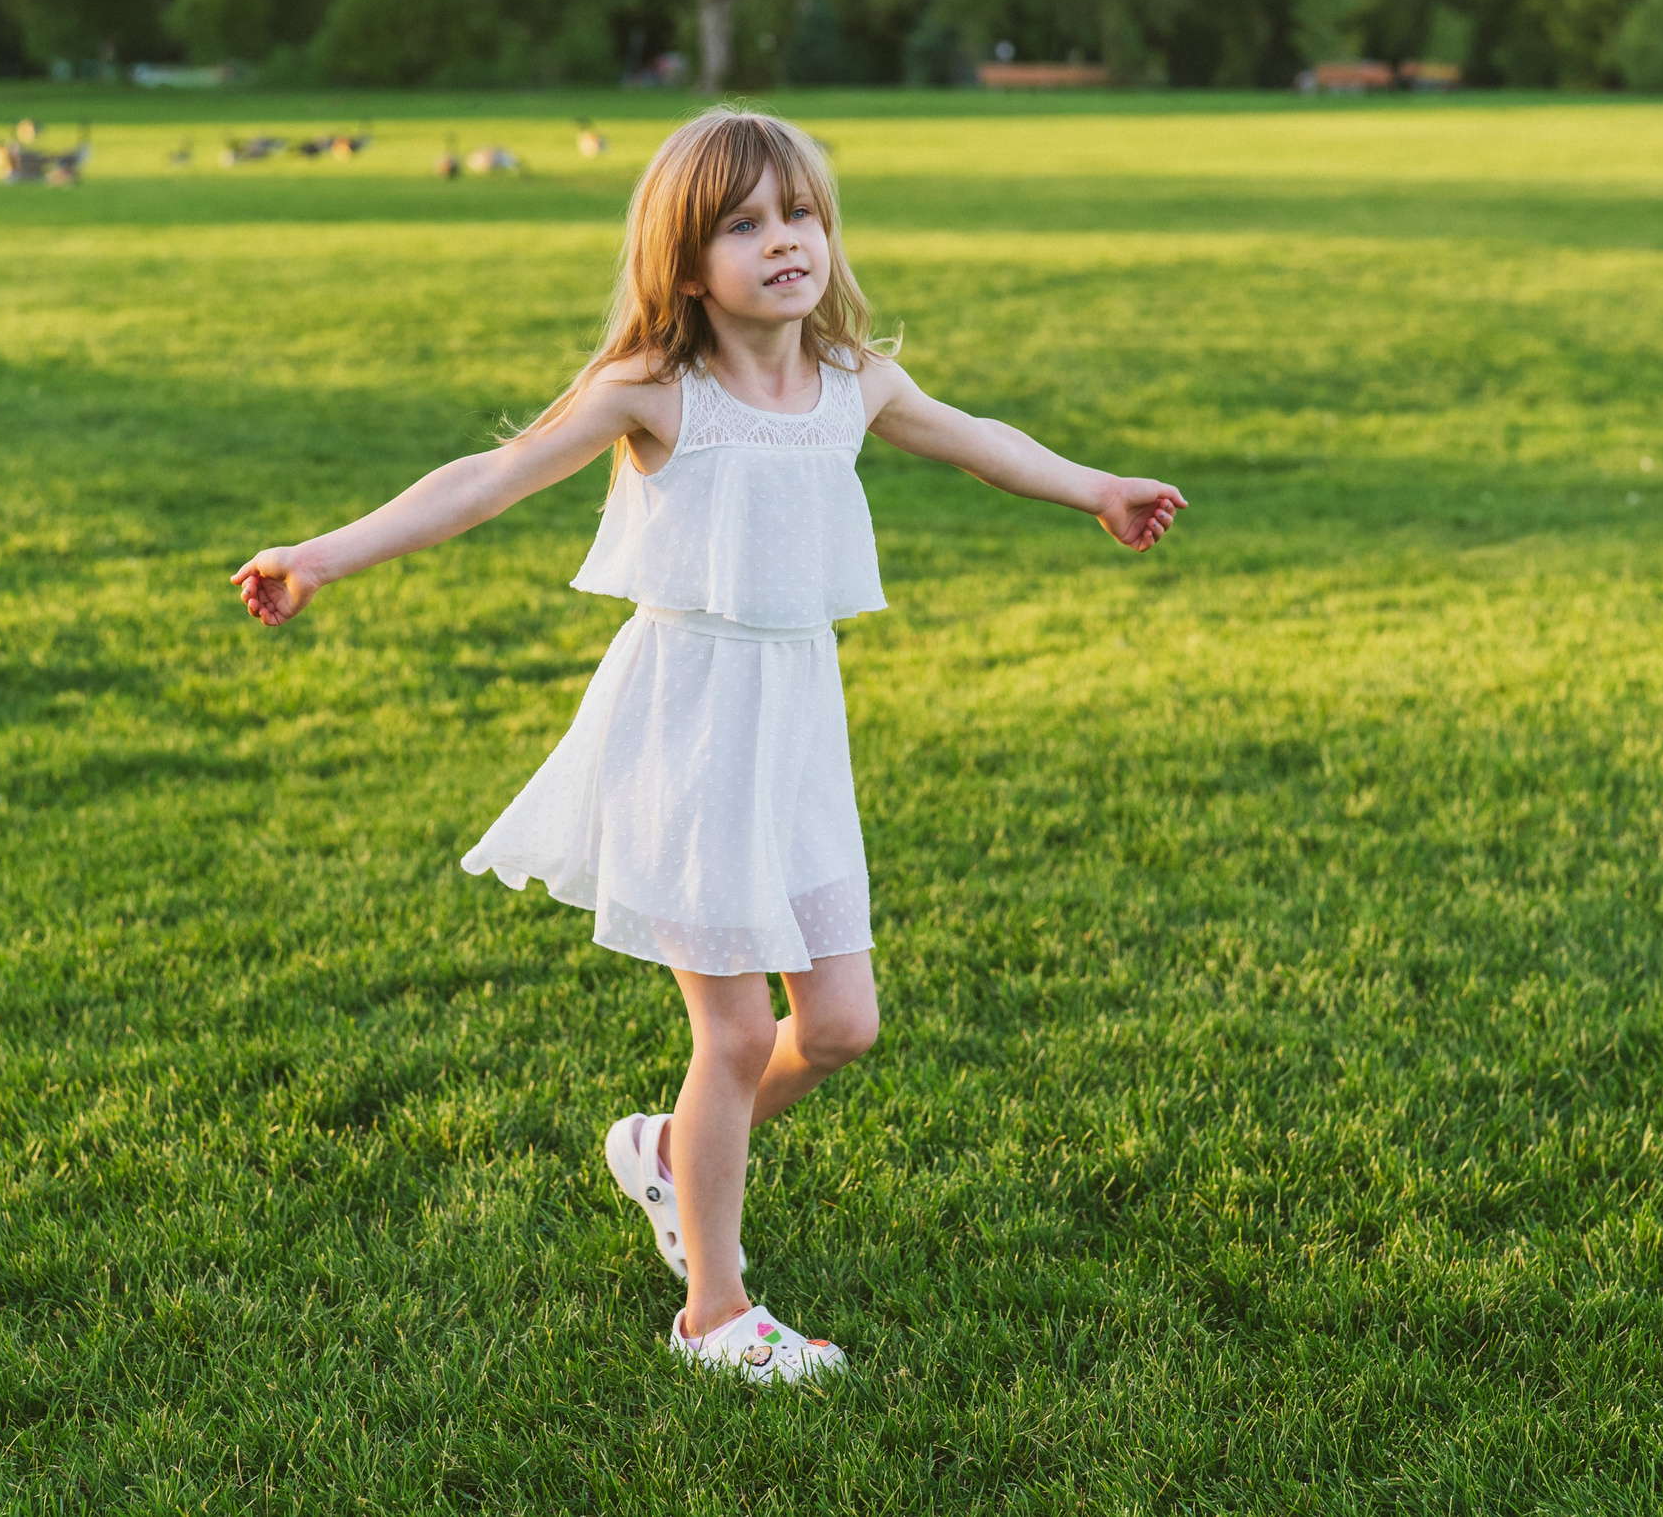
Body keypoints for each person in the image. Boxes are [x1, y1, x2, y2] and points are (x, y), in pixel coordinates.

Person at [230, 107, 1186, 1383]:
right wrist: (319, 556)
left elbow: (982, 443)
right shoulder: (655, 395)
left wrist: (1096, 487)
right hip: (683, 724)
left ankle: (670, 1150)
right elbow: (483, 479)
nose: (782, 241)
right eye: (743, 225)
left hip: (793, 725)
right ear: (687, 263)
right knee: (732, 1035)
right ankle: (715, 1316)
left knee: (840, 1023)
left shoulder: (856, 382)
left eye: (799, 214)